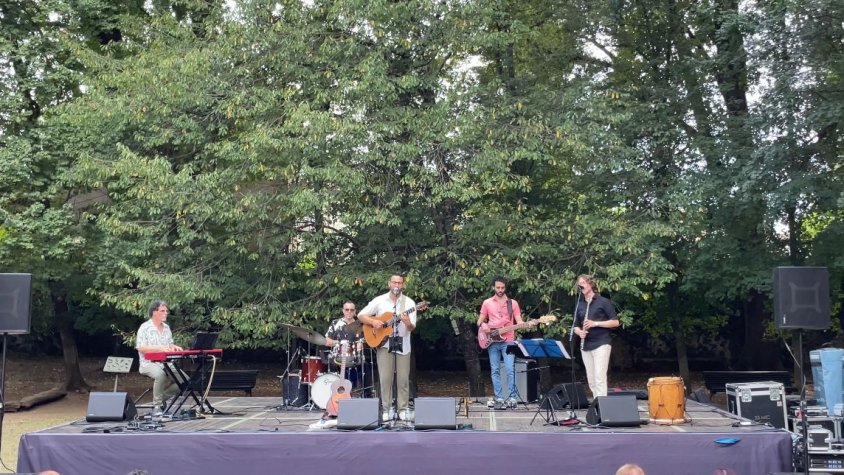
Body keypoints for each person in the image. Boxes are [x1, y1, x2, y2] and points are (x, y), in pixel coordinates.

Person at [357, 273, 417, 421]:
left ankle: (403, 409)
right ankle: (386, 409)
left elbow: (411, 328)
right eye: (394, 282)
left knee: (403, 379)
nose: (397, 285)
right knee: (385, 378)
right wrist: (373, 322)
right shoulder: (379, 300)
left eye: (399, 283)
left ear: (403, 285)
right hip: (384, 344)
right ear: (389, 283)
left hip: (403, 344)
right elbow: (360, 315)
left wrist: (407, 322)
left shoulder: (409, 303)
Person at [477, 276, 524, 409]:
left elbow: (519, 320)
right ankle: (499, 397)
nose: (500, 290)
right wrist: (483, 325)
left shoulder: (512, 303)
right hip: (492, 340)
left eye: (502, 288)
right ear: (493, 287)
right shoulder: (487, 302)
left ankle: (512, 398)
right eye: (498, 287)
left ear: (505, 288)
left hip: (509, 340)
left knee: (510, 369)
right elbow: (479, 320)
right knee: (495, 369)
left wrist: (526, 324)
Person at [573, 274, 619, 398]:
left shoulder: (603, 301)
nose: (581, 285)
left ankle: (602, 406)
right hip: (586, 345)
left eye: (583, 283)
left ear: (591, 284)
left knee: (599, 377)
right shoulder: (580, 304)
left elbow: (615, 322)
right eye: (579, 283)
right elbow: (575, 325)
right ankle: (597, 403)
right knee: (591, 380)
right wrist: (579, 332)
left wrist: (595, 323)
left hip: (601, 343)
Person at [136, 300, 183, 414]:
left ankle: (160, 399)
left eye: (166, 311)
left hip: (166, 362)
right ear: (154, 312)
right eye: (162, 311)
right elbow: (141, 348)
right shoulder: (145, 327)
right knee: (160, 375)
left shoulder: (166, 327)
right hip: (148, 363)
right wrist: (160, 348)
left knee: (184, 381)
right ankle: (157, 406)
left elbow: (169, 344)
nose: (166, 313)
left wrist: (174, 347)